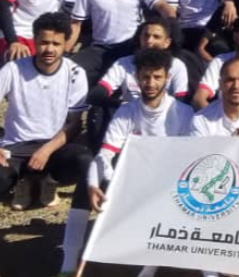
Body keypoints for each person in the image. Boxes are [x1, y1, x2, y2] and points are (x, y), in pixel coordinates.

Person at [80, 48, 193, 277]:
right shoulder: (126, 111)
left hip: (172, 185)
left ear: (167, 78)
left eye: (157, 77)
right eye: (145, 77)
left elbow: (189, 162)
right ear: (136, 77)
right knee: (93, 177)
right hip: (135, 183)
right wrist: (92, 185)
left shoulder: (184, 112)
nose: (150, 83)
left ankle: (150, 268)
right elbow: (104, 155)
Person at [0, 12, 90, 213]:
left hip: (52, 146)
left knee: (83, 160)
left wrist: (46, 150)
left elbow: (75, 123)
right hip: (16, 146)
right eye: (44, 42)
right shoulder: (14, 69)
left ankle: (49, 180)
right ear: (35, 40)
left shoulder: (75, 73)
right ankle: (23, 180)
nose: (49, 49)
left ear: (66, 44)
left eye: (56, 44)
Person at [95, 16, 190, 107]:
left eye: (156, 37)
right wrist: (128, 107)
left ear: (167, 42)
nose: (149, 40)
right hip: (129, 115)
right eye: (146, 35)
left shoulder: (177, 66)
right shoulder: (123, 63)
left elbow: (181, 100)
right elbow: (97, 94)